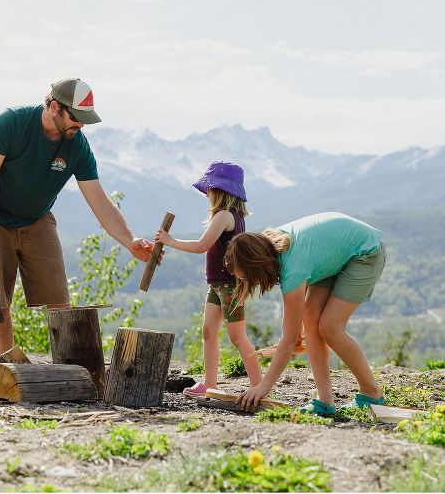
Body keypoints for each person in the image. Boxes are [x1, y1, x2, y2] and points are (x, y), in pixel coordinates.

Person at [0, 78, 154, 357]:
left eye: (84, 120)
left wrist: (130, 241)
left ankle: (71, 367)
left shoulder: (77, 145)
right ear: (54, 106)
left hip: (38, 219)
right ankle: (7, 368)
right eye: (75, 119)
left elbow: (100, 202)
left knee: (59, 300)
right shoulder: (12, 124)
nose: (80, 126)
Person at [225, 212, 387, 416]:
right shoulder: (270, 243)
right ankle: (324, 400)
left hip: (365, 251)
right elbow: (294, 332)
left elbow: (290, 338)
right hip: (334, 256)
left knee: (330, 327)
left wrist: (264, 386)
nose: (252, 284)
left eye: (250, 278)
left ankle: (372, 393)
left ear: (259, 266)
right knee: (311, 319)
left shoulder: (293, 269)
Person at [154, 161, 262, 397]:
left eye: (210, 189)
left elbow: (202, 245)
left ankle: (259, 387)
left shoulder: (224, 215)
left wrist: (170, 241)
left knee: (237, 337)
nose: (207, 194)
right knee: (208, 332)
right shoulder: (231, 215)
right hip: (218, 284)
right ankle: (210, 383)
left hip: (230, 285)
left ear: (219, 190)